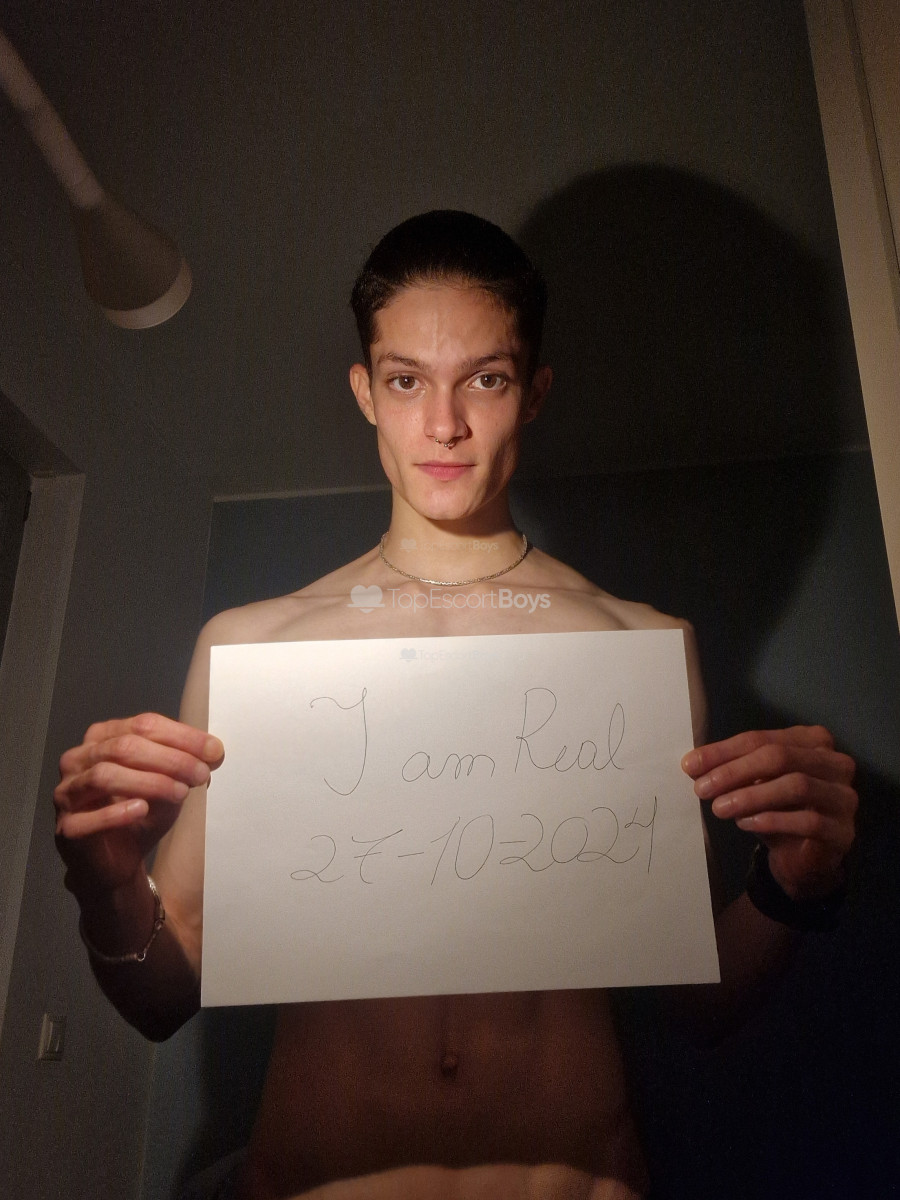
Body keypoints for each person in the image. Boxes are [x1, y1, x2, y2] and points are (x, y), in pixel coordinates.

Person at [54, 211, 858, 1200]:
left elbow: (697, 1003)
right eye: (407, 381)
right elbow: (161, 999)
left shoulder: (637, 649)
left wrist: (793, 886)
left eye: (486, 379)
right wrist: (106, 884)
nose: (444, 425)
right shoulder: (253, 650)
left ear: (534, 393)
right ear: (365, 392)